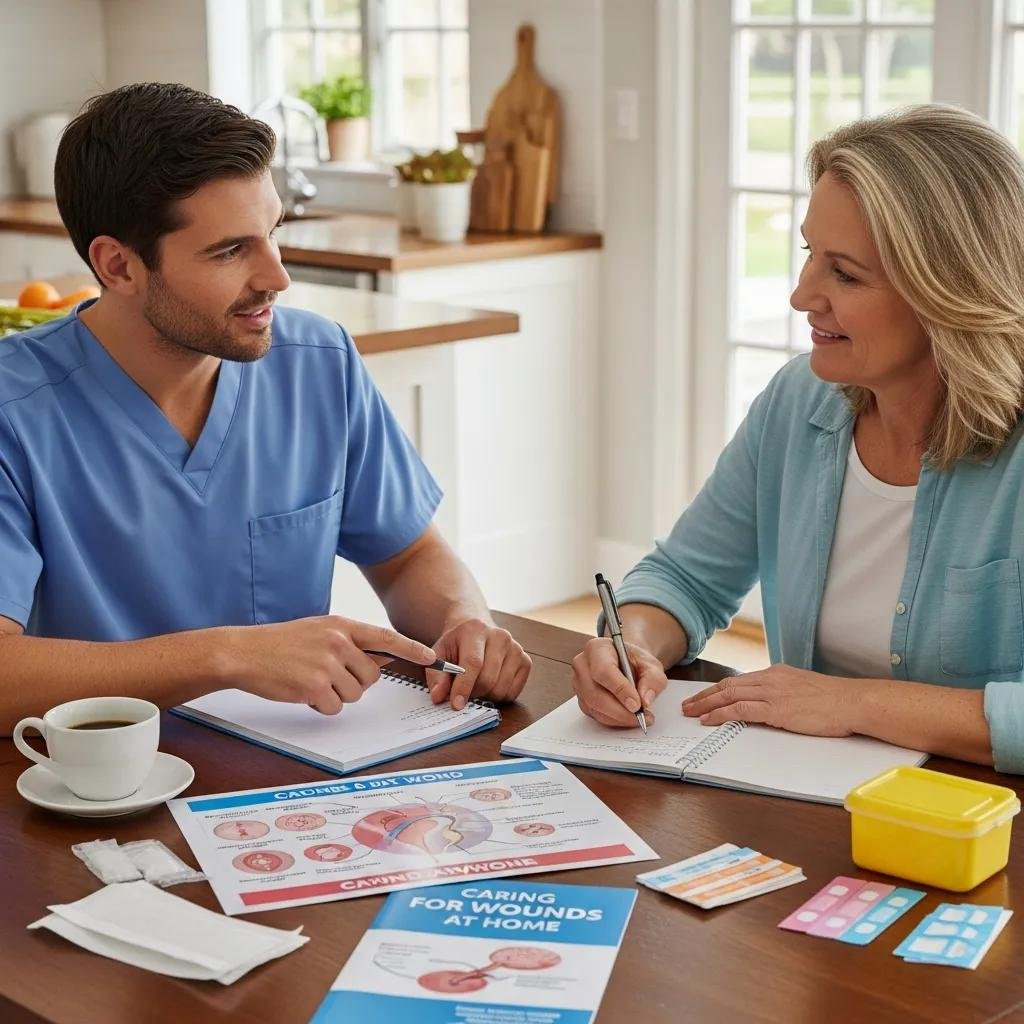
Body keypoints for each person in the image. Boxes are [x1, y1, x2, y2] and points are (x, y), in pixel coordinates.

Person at [0, 83, 530, 733]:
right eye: (230, 250)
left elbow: (408, 556)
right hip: (94, 790)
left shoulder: (319, 361)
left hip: (299, 770)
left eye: (271, 234)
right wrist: (224, 655)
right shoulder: (14, 412)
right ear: (119, 266)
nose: (276, 276)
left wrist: (463, 619)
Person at [572, 104, 1024, 773]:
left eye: (845, 273)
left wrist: (851, 703)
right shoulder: (798, 402)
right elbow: (686, 576)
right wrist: (632, 643)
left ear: (947, 289)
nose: (801, 294)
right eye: (811, 255)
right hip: (817, 809)